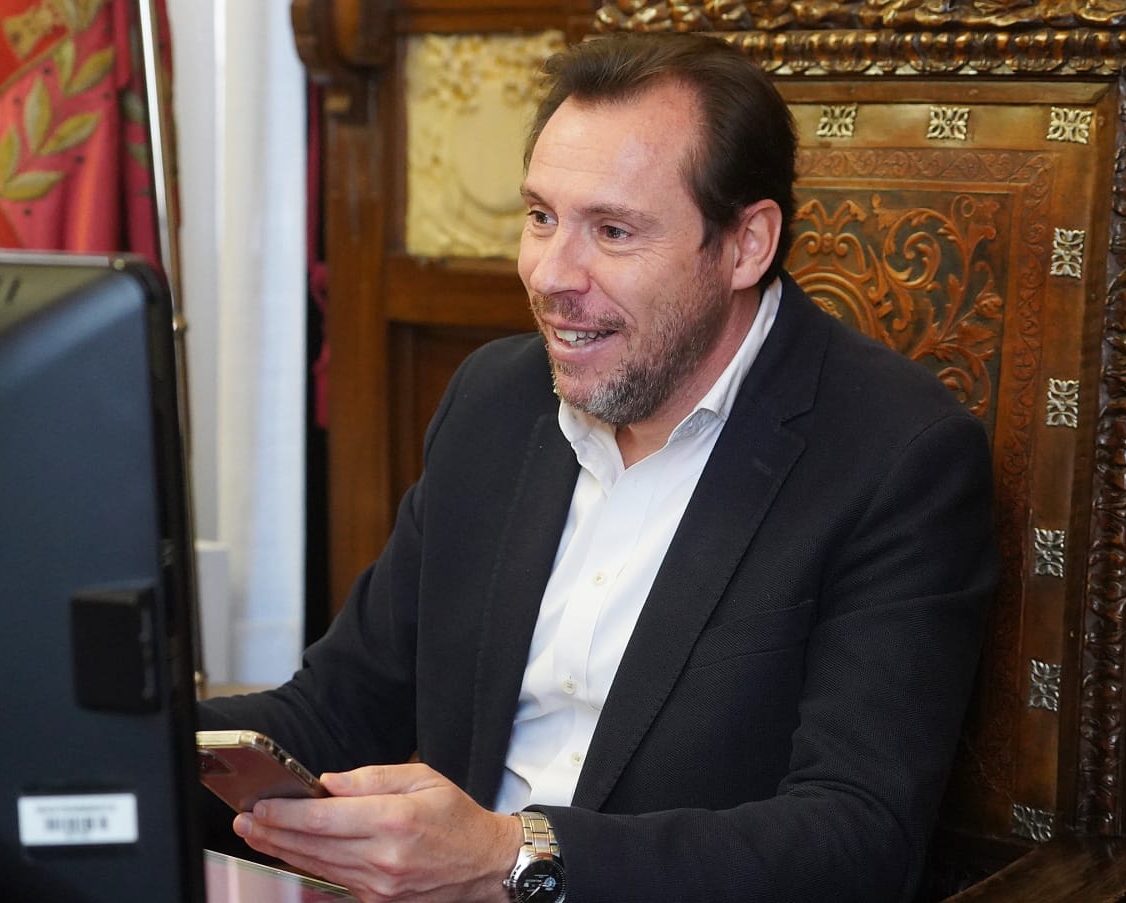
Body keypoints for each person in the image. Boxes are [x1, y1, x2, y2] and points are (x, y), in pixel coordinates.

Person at [199, 32, 998, 903]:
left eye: (612, 231)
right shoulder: (494, 402)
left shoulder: (896, 457)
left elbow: (856, 838)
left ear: (746, 244)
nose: (550, 274)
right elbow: (334, 711)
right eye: (541, 217)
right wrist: (107, 736)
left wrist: (508, 856)